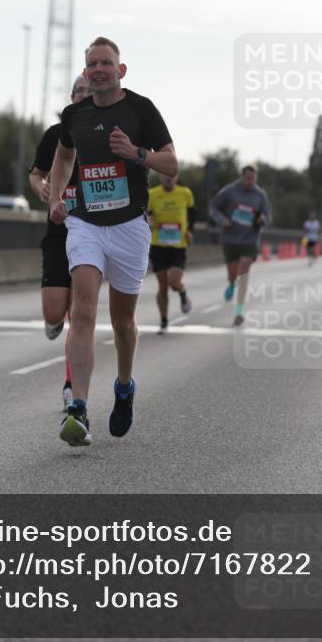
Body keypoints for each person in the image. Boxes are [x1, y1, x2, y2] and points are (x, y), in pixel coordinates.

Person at [49, 37, 178, 447]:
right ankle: (79, 409)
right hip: (85, 223)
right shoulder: (74, 115)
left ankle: (124, 386)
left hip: (129, 227)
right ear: (86, 72)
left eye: (106, 62)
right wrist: (56, 197)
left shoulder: (140, 109)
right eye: (92, 64)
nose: (99, 69)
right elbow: (64, 157)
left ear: (121, 71)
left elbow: (172, 162)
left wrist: (137, 152)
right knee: (83, 309)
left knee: (123, 323)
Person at [28, 75, 91, 411]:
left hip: (92, 233)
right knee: (56, 312)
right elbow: (36, 172)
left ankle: (71, 388)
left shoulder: (104, 135)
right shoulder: (55, 135)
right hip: (58, 231)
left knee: (78, 314)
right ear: (71, 97)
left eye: (91, 92)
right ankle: (54, 320)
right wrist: (40, 186)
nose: (85, 96)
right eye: (80, 92)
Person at [209, 163, 272, 326]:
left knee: (244, 269)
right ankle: (231, 284)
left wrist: (262, 220)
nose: (250, 181)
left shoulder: (260, 195)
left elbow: (268, 216)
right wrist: (222, 220)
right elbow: (213, 207)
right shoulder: (230, 191)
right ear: (242, 177)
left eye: (253, 179)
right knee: (233, 275)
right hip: (230, 239)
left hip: (250, 240)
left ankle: (239, 311)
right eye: (247, 178)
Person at [147, 173, 195, 333]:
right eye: (165, 176)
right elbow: (149, 214)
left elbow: (192, 213)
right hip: (158, 244)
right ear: (160, 177)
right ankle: (164, 321)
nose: (168, 178)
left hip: (177, 244)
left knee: (174, 283)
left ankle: (182, 292)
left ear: (176, 177)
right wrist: (150, 219)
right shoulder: (152, 194)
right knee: (162, 286)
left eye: (172, 175)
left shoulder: (185, 193)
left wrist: (190, 230)